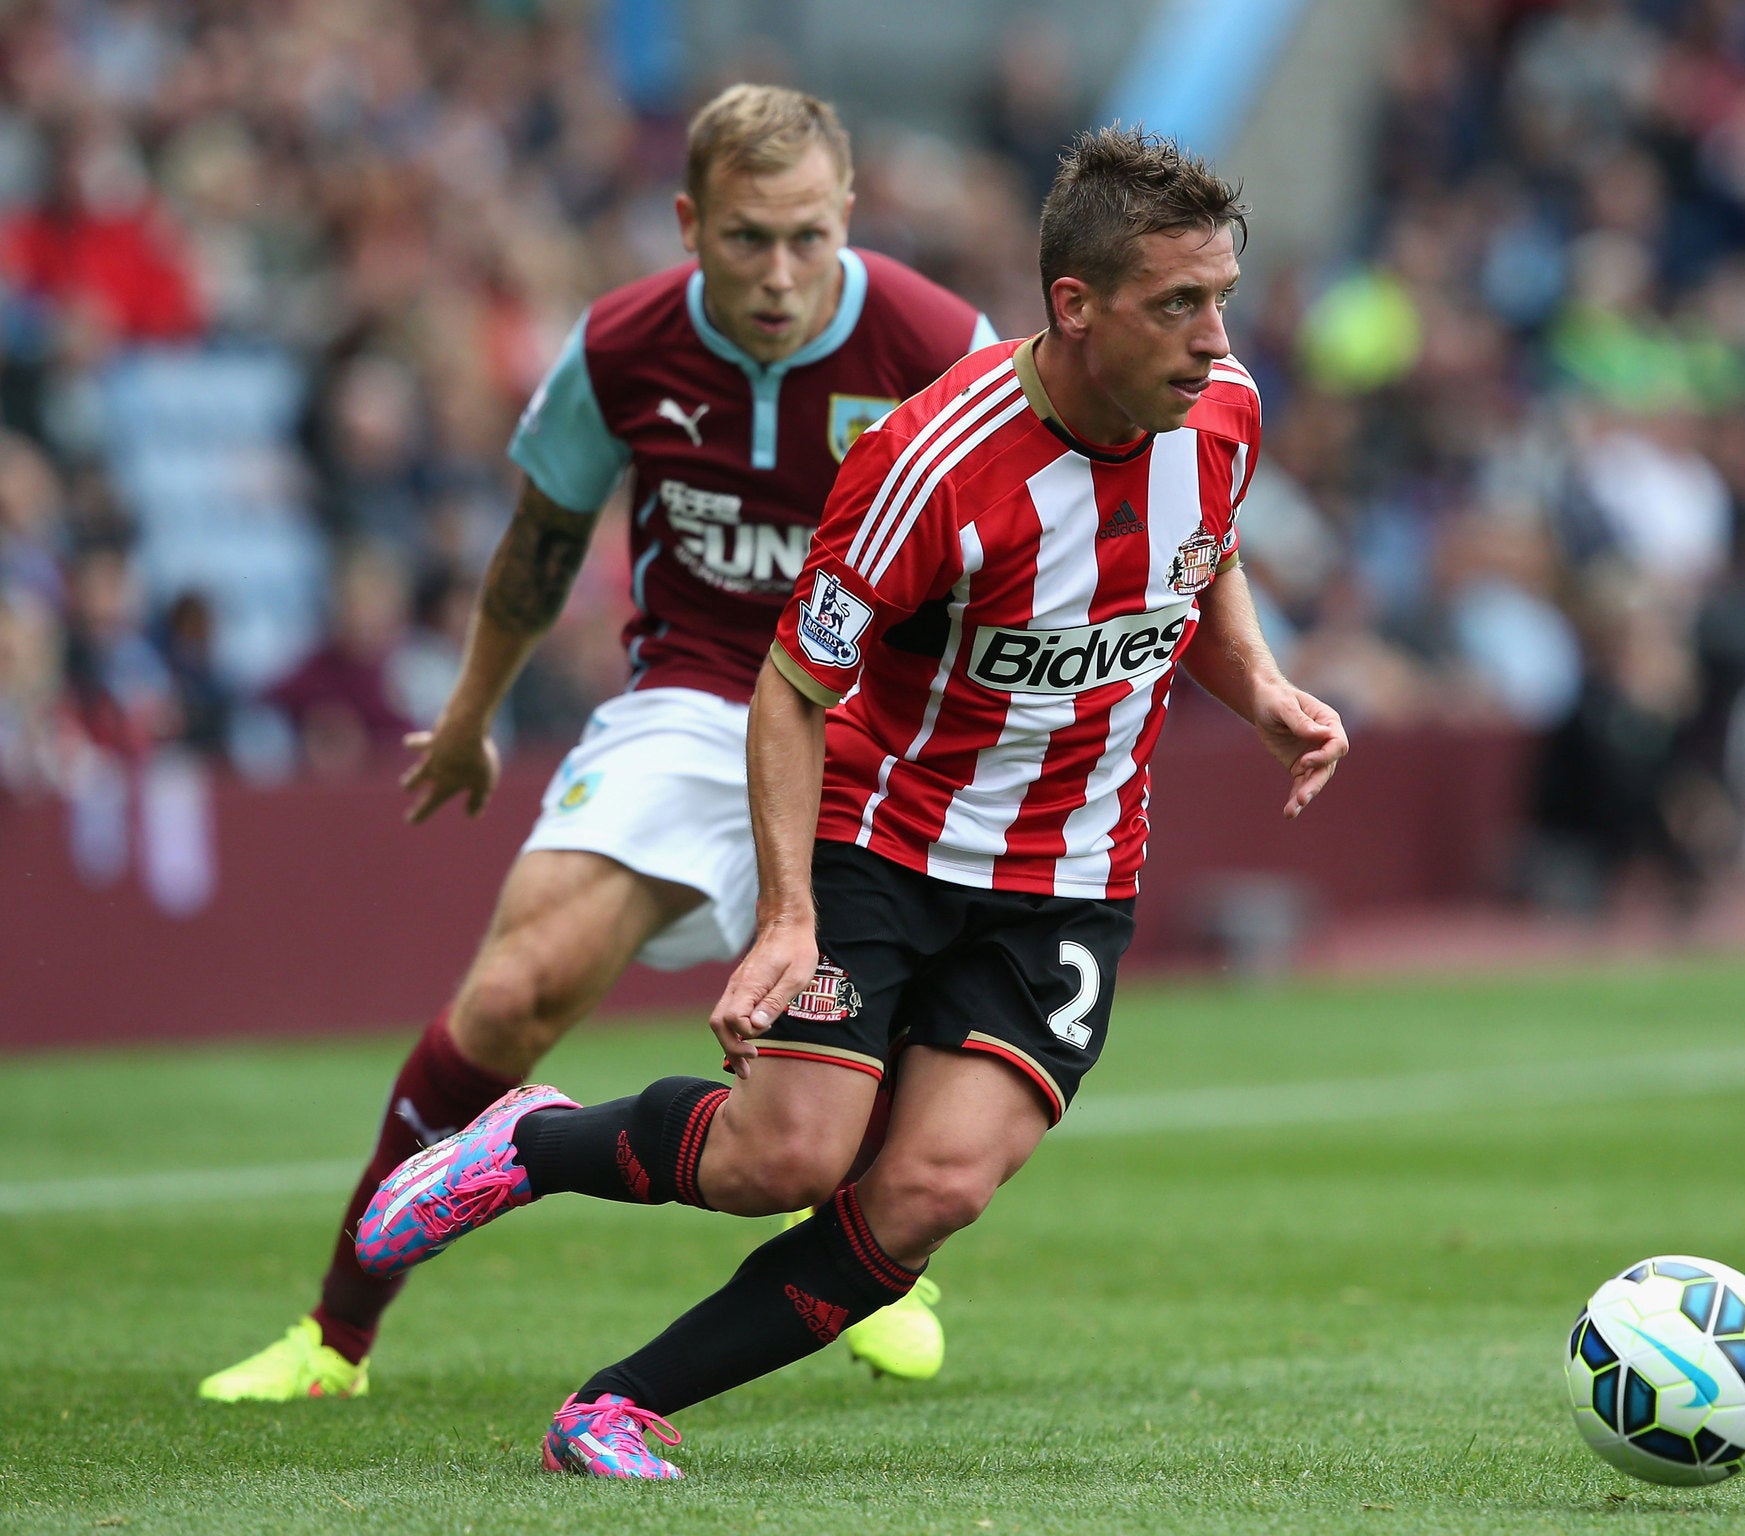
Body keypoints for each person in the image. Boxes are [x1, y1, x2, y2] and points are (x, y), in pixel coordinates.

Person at [353, 126, 1349, 1479]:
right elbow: (787, 688)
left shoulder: (1219, 411)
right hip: (885, 843)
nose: (1213, 334)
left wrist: (1268, 689)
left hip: (1070, 875)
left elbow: (1200, 560)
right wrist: (785, 918)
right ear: (1076, 304)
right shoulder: (930, 463)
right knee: (783, 1162)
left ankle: (619, 1405)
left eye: (1221, 297)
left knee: (933, 1189)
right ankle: (534, 1138)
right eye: (1179, 304)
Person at [199, 84, 996, 1403]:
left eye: (809, 235)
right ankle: (335, 1335)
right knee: (515, 991)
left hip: (866, 722)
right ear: (689, 224)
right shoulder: (623, 345)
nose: (783, 274)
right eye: (748, 239)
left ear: (849, 215)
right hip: (694, 704)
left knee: (884, 1034)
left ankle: (870, 1257)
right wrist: (467, 719)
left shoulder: (936, 339)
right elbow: (540, 544)